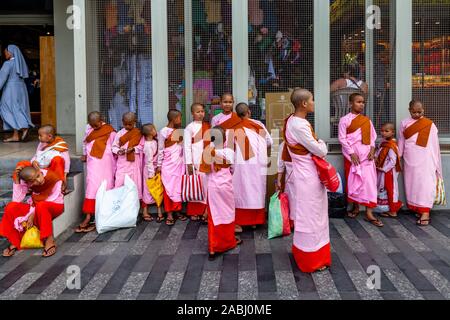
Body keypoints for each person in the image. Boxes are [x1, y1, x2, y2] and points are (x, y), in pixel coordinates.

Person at [283, 88, 331, 273]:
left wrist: (316, 143)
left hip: (304, 175)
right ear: (304, 104)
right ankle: (312, 259)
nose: (313, 103)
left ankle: (305, 253)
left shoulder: (291, 120)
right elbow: (321, 151)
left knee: (308, 216)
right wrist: (321, 143)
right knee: (313, 217)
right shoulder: (300, 125)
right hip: (308, 176)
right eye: (312, 99)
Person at [0, 164, 64, 258]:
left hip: (55, 205)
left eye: (38, 176)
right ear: (27, 183)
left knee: (42, 205)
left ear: (39, 170)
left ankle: (49, 240)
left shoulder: (52, 177)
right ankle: (15, 240)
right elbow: (17, 200)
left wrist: (32, 214)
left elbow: (52, 198)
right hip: (34, 207)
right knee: (11, 206)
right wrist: (17, 182)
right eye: (33, 181)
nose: (39, 180)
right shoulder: (27, 182)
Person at [227, 102, 273, 230]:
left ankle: (242, 221)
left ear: (237, 114)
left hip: (242, 166)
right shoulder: (258, 125)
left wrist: (230, 167)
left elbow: (229, 150)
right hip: (259, 163)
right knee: (257, 191)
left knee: (242, 191)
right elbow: (270, 141)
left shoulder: (232, 128)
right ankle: (255, 221)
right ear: (249, 112)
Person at [338, 93, 382, 227]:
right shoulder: (344, 120)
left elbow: (373, 138)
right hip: (353, 158)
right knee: (354, 182)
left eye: (363, 102)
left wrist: (373, 151)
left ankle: (369, 213)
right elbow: (342, 138)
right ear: (350, 103)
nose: (361, 104)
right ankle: (356, 207)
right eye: (358, 102)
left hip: (367, 157)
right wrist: (351, 153)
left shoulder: (367, 120)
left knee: (369, 184)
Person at [398, 100, 442, 226]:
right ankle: (416, 207)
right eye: (414, 112)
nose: (417, 114)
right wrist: (398, 157)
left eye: (419, 111)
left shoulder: (430, 124)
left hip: (426, 159)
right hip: (410, 158)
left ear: (424, 110)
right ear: (409, 110)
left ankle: (425, 212)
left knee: (425, 184)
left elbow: (435, 146)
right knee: (412, 184)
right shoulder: (404, 123)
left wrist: (435, 162)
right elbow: (401, 142)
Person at [205, 126, 242, 260]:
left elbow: (206, 171)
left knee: (214, 216)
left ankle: (213, 248)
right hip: (226, 185)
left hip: (213, 186)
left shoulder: (207, 152)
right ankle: (228, 242)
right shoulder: (229, 152)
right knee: (227, 213)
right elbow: (233, 169)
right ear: (225, 139)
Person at [76, 112, 116, 233]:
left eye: (96, 125)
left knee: (107, 186)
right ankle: (88, 216)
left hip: (107, 163)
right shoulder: (88, 129)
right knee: (91, 187)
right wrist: (84, 154)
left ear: (102, 120)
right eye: (92, 125)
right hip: (93, 163)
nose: (94, 127)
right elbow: (85, 142)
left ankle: (105, 216)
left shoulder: (110, 131)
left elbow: (114, 146)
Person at [156, 109, 186, 226]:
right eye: (179, 118)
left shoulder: (180, 131)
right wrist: (159, 165)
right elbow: (161, 149)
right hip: (168, 165)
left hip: (178, 163)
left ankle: (177, 211)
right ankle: (169, 213)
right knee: (168, 188)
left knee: (178, 187)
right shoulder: (163, 132)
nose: (180, 120)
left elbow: (182, 147)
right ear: (174, 119)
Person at [0, 44, 34, 142]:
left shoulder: (8, 64)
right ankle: (16, 135)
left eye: (6, 51)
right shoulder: (21, 64)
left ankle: (24, 127)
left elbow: (1, 78)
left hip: (11, 89)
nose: (4, 53)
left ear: (10, 52)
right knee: (18, 109)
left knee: (4, 108)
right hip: (21, 88)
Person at [184, 103, 210, 222]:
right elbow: (186, 146)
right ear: (192, 113)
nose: (201, 114)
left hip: (206, 160)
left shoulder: (207, 126)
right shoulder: (189, 128)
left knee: (206, 186)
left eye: (202, 111)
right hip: (195, 161)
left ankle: (206, 210)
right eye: (198, 112)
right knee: (196, 186)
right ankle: (195, 211)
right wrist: (189, 163)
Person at [112, 112, 144, 200]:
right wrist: (119, 151)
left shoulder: (138, 133)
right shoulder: (119, 133)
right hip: (122, 162)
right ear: (122, 122)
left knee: (134, 183)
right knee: (120, 181)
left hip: (134, 163)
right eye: (125, 124)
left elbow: (142, 146)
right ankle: (118, 202)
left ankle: (133, 206)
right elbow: (114, 147)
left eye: (130, 124)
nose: (127, 126)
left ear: (135, 122)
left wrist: (134, 149)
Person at [30, 125, 70, 193]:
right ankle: (29, 186)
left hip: (54, 169)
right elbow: (37, 155)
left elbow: (67, 160)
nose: (38, 137)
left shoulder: (60, 144)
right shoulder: (42, 143)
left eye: (40, 136)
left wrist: (65, 175)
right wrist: (33, 161)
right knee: (23, 164)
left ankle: (59, 185)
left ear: (49, 136)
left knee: (58, 159)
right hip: (42, 167)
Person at [375, 123, 403, 218]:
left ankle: (393, 211)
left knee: (391, 190)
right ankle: (387, 208)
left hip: (388, 172)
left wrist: (384, 169)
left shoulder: (391, 145)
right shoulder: (382, 143)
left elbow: (393, 161)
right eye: (382, 131)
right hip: (382, 170)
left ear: (392, 132)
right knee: (384, 189)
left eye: (386, 131)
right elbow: (378, 153)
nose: (383, 133)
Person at [141, 123, 163, 222]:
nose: (156, 131)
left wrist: (158, 166)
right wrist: (151, 173)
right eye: (154, 129)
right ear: (150, 133)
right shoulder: (147, 145)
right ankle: (145, 211)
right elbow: (148, 161)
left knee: (158, 189)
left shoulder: (154, 141)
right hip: (149, 170)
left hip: (155, 169)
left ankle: (159, 211)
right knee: (147, 190)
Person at [276, 139, 294, 228]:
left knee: (292, 201)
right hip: (304, 178)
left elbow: (280, 164)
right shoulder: (306, 141)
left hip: (291, 179)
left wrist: (279, 180)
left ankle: (292, 223)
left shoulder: (284, 144)